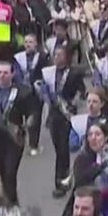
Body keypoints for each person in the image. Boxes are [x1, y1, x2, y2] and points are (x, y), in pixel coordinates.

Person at [0, 61, 34, 205]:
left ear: (12, 74)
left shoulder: (22, 92)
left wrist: (29, 122)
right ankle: (8, 201)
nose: (2, 76)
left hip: (14, 139)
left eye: (5, 73)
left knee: (10, 173)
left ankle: (11, 204)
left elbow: (31, 112)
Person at [40, 45, 85, 198]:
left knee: (64, 149)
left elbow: (81, 91)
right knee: (58, 148)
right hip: (54, 114)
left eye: (60, 55)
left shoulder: (74, 73)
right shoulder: (48, 73)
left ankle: (61, 182)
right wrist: (46, 96)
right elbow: (43, 89)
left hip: (67, 114)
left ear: (67, 57)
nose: (57, 57)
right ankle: (62, 178)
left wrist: (72, 104)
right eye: (55, 55)